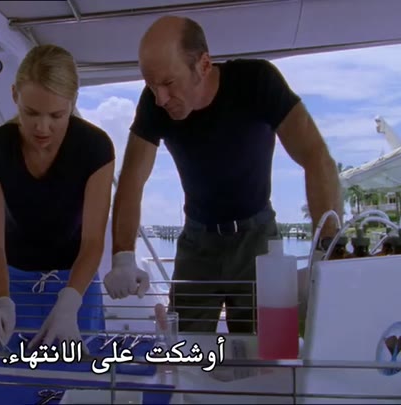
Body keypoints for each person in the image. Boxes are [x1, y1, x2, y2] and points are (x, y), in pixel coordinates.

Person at [103, 16, 342, 333]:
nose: (160, 98)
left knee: (268, 348)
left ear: (203, 65)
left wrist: (327, 248)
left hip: (258, 241)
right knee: (184, 347)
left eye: (169, 83)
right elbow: (132, 180)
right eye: (151, 85)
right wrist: (123, 257)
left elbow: (315, 156)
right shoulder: (154, 104)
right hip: (196, 244)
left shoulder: (257, 81)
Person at [0, 44, 115, 349]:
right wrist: (1, 300)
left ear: (72, 102)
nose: (42, 127)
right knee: (13, 371)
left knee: (81, 372)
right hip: (13, 286)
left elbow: (93, 241)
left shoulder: (95, 148)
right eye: (31, 113)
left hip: (77, 284)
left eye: (57, 115)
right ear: (15, 95)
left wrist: (70, 302)